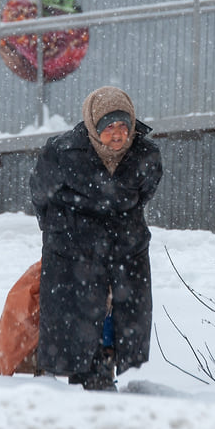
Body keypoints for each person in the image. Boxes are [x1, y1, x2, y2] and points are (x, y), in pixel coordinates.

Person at [29, 86, 163, 391]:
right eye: (108, 127)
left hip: (123, 246)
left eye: (122, 126)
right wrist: (59, 231)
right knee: (70, 310)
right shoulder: (62, 152)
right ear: (93, 126)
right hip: (71, 246)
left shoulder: (146, 154)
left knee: (117, 311)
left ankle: (100, 372)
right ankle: (58, 376)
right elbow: (41, 194)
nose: (117, 135)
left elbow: (143, 195)